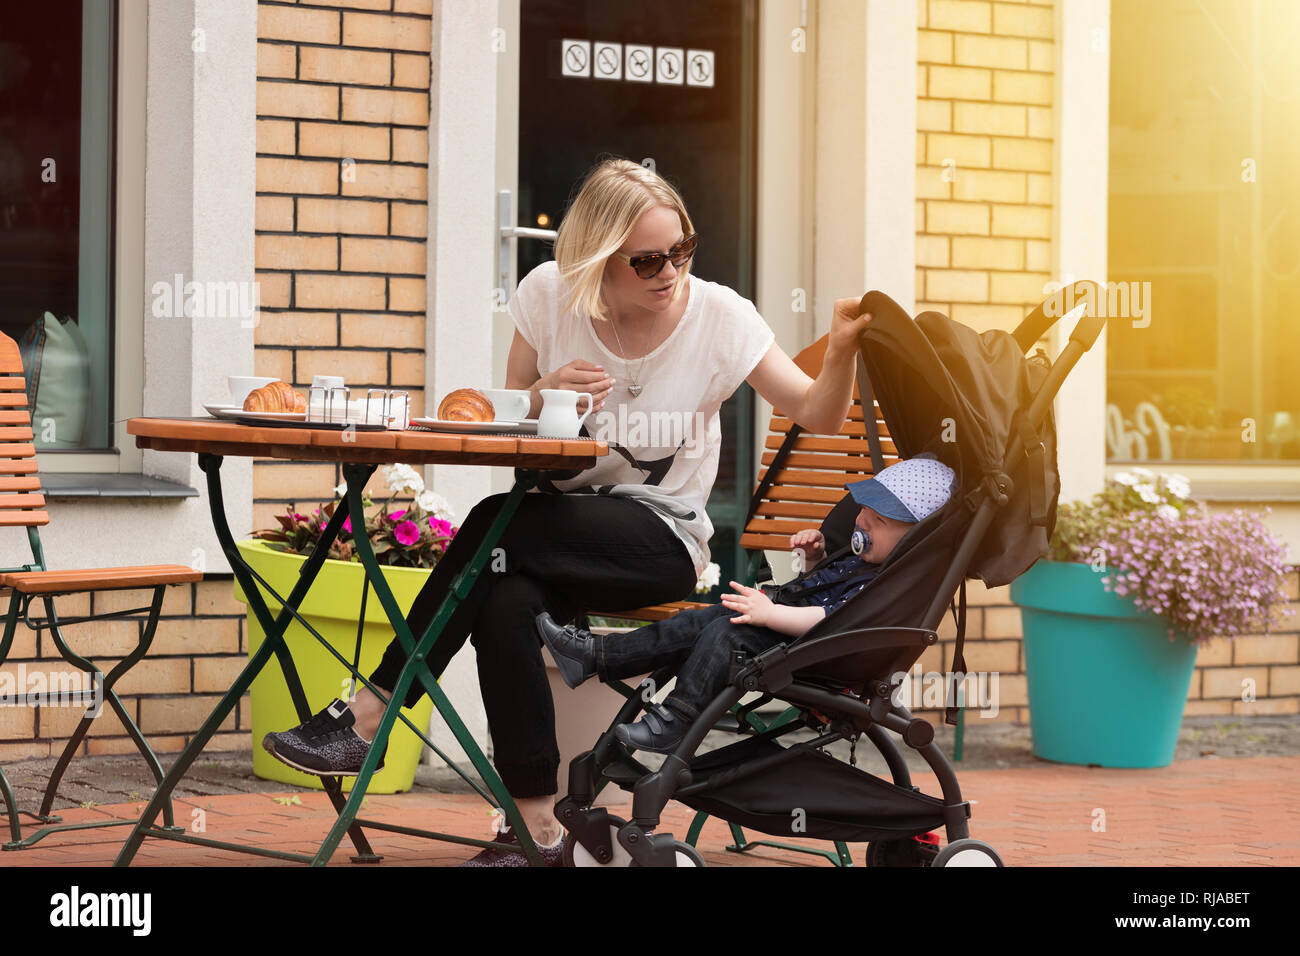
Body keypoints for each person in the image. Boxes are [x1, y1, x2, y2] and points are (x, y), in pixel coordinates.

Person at [262, 156, 872, 866]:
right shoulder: (550, 295)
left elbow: (817, 414)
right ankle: (535, 833)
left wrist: (845, 353)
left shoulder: (721, 318)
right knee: (505, 598)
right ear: (597, 260)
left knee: (498, 521)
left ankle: (366, 712)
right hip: (552, 533)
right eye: (646, 260)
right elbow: (507, 429)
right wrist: (545, 392)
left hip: (660, 539)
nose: (669, 271)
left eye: (681, 250)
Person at [535, 457, 955, 753]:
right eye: (864, 509)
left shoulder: (885, 585)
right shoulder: (857, 557)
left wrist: (771, 613)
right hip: (790, 636)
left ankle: (675, 721)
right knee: (705, 619)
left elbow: (833, 621)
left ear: (912, 544)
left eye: (879, 521)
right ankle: (594, 656)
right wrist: (812, 560)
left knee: (724, 631)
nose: (862, 521)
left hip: (820, 656)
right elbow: (815, 595)